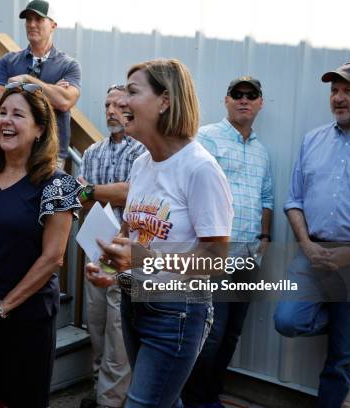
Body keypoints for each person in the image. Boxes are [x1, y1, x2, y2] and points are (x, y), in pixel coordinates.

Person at [86, 59, 234, 408]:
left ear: (164, 101)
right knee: (161, 400)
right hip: (133, 302)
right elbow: (130, 234)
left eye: (132, 92)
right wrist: (109, 268)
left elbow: (215, 260)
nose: (121, 102)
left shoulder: (200, 169)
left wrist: (141, 259)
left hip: (177, 312)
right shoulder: (142, 164)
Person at [0, 81, 83, 408]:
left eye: (18, 115)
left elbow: (53, 257)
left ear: (39, 129)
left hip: (26, 318)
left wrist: (3, 306)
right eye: (2, 113)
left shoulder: (57, 185)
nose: (6, 121)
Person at [274, 62, 350, 408]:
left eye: (347, 90)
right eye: (334, 91)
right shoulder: (313, 140)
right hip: (313, 253)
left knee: (343, 357)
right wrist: (306, 245)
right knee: (288, 319)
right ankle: (341, 324)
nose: (338, 98)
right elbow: (294, 201)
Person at [183, 77, 273, 408]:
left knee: (233, 331)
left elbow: (267, 197)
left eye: (252, 96)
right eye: (238, 94)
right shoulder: (207, 137)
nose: (244, 100)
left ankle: (211, 394)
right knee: (212, 332)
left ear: (261, 103)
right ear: (226, 100)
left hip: (249, 254)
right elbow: (191, 186)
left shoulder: (262, 151)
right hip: (217, 252)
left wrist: (264, 239)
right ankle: (193, 398)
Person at [78, 84, 146, 408]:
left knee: (119, 333)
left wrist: (93, 191)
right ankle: (100, 389)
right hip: (97, 248)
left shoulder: (142, 152)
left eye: (119, 105)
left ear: (131, 109)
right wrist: (95, 193)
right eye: (107, 105)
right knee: (97, 324)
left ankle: (111, 401)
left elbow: (130, 194)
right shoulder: (92, 152)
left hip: (126, 253)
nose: (111, 111)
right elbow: (81, 198)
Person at [0, 0, 81, 169]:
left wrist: (27, 80)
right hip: (11, 151)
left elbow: (64, 102)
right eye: (28, 19)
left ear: (53, 25)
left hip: (50, 153)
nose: (32, 24)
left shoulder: (69, 65)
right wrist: (51, 89)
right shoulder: (8, 61)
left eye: (39, 20)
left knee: (44, 196)